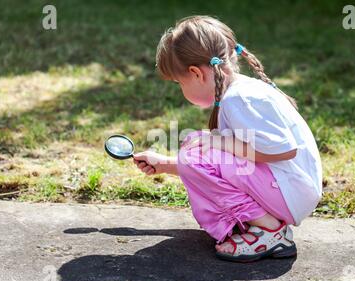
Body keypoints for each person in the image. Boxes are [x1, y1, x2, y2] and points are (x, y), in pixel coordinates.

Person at [133, 15, 322, 262]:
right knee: (196, 146)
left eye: (180, 82)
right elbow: (227, 162)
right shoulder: (239, 92)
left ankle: (269, 230)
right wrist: (166, 164)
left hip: (291, 193)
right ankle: (257, 221)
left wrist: (217, 142)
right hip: (288, 189)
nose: (181, 89)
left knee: (198, 151)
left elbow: (284, 150)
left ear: (196, 74)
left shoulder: (240, 98)